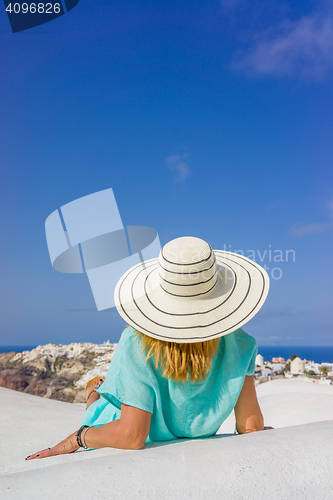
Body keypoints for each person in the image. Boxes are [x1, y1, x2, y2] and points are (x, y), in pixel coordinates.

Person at [26, 236, 272, 460]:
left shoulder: (137, 342)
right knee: (101, 402)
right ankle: (95, 394)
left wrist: (77, 438)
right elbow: (250, 426)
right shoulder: (242, 345)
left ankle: (94, 394)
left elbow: (131, 435)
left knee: (100, 411)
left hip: (115, 423)